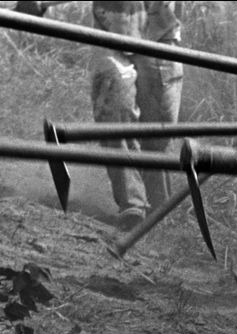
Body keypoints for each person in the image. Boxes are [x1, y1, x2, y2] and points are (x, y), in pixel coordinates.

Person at [90, 1, 183, 231]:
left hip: (160, 36)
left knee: (158, 130)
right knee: (115, 110)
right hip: (112, 35)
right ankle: (133, 203)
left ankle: (160, 210)